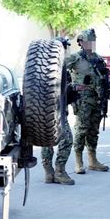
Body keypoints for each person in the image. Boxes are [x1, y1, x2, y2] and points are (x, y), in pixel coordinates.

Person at [65, 28, 109, 174]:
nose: (91, 44)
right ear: (81, 42)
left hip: (98, 99)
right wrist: (71, 86)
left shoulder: (98, 59)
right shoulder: (75, 58)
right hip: (83, 99)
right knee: (81, 129)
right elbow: (60, 70)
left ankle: (93, 160)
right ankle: (78, 161)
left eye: (93, 41)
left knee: (93, 130)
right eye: (89, 41)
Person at [41, 38, 75, 185]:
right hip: (49, 112)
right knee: (57, 141)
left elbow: (64, 95)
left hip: (58, 112)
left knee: (62, 140)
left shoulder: (63, 68)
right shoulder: (46, 68)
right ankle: (53, 172)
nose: (65, 50)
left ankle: (56, 171)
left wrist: (74, 91)